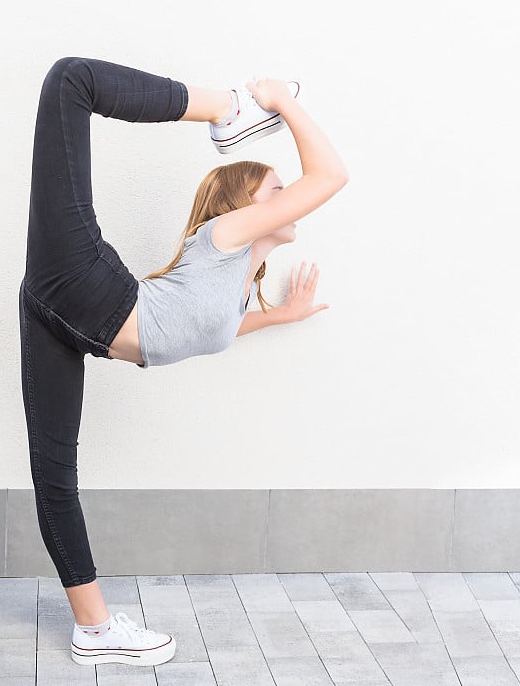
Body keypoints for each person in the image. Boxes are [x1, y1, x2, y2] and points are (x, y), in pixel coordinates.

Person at [18, 57, 349, 668]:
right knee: (70, 81)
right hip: (87, 291)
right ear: (245, 204)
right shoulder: (227, 235)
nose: (288, 201)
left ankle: (95, 632)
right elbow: (330, 176)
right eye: (277, 190)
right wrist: (282, 102)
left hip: (65, 319)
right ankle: (228, 108)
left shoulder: (231, 288)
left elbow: (206, 328)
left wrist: (277, 317)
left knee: (54, 480)